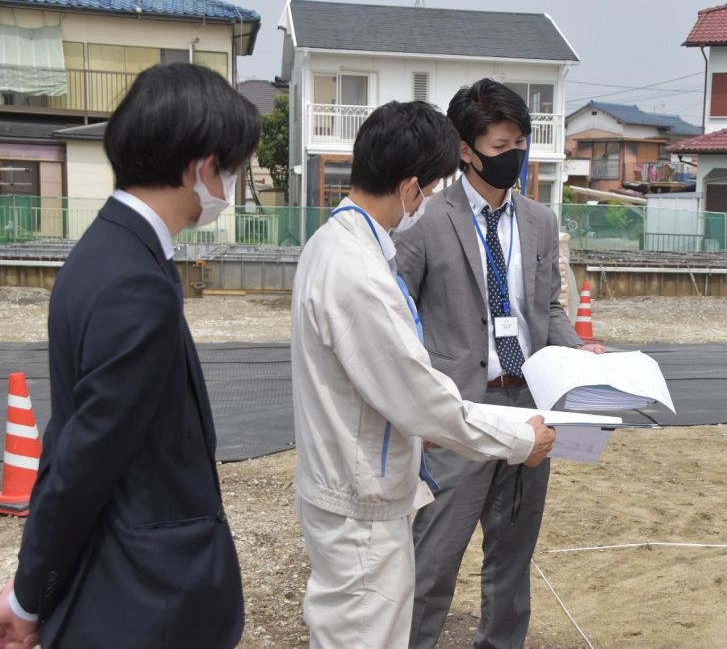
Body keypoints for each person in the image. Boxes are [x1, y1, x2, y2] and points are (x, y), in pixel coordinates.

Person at [0, 63, 259, 648]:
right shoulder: (136, 283)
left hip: (120, 582)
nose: (231, 186)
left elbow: (69, 432)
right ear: (201, 166)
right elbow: (84, 458)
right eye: (233, 169)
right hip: (145, 598)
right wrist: (26, 596)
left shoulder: (100, 252)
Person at [290, 100, 555, 649]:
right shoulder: (361, 272)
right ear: (411, 187)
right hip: (364, 495)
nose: (428, 201)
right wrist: (517, 437)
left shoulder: (333, 244)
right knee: (374, 624)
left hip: (358, 481)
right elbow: (420, 398)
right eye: (430, 190)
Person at [395, 78, 604, 649]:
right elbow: (397, 314)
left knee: (512, 562)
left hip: (527, 406)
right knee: (434, 560)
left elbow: (548, 306)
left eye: (520, 142)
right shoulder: (427, 221)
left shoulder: (539, 221)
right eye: (500, 144)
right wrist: (421, 403)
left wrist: (577, 354)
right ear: (465, 149)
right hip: (459, 411)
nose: (514, 155)